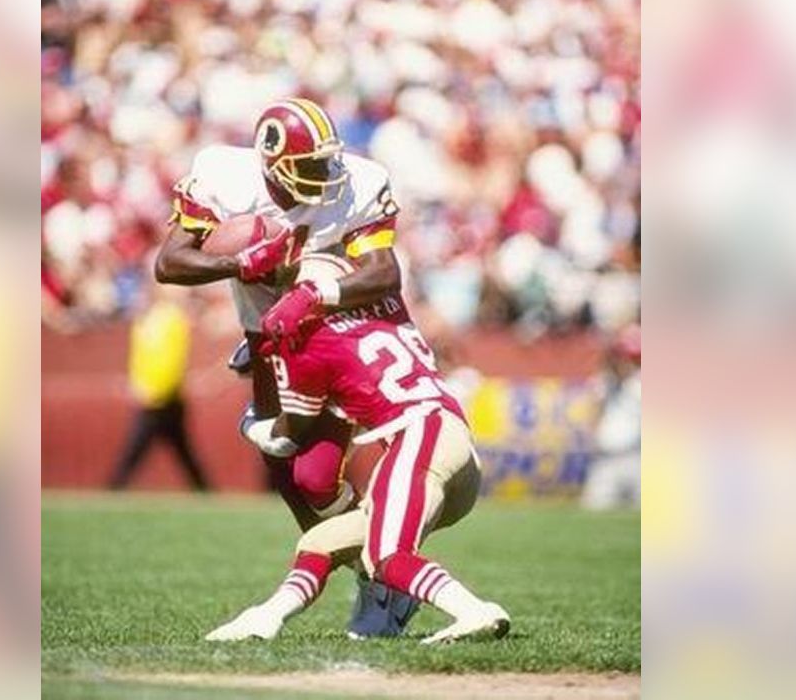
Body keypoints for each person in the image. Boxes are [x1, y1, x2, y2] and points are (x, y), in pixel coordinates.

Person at [153, 98, 418, 637]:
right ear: (271, 162)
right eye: (311, 166)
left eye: (327, 162)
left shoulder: (359, 183)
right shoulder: (224, 174)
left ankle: (384, 573)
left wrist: (313, 293)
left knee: (314, 475)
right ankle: (378, 569)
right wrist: (240, 262)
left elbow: (384, 273)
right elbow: (169, 262)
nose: (326, 176)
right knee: (293, 474)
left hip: (335, 330)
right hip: (269, 333)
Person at [206, 257, 509, 644]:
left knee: (387, 557)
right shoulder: (387, 305)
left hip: (420, 435)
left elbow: (286, 438)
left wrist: (251, 422)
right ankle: (266, 616)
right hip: (452, 444)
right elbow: (374, 279)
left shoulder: (312, 342)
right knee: (317, 543)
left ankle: (474, 611)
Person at [107, 282, 208, 491]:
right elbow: (150, 358)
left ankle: (114, 488)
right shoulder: (162, 319)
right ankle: (204, 491)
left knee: (138, 449)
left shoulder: (164, 318)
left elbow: (168, 361)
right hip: (160, 395)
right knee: (180, 451)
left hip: (158, 397)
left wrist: (149, 388)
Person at [582, 323, 641, 510]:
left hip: (638, 459)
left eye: (625, 359)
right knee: (594, 515)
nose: (620, 363)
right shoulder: (604, 383)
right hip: (605, 460)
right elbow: (593, 413)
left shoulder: (639, 385)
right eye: (618, 358)